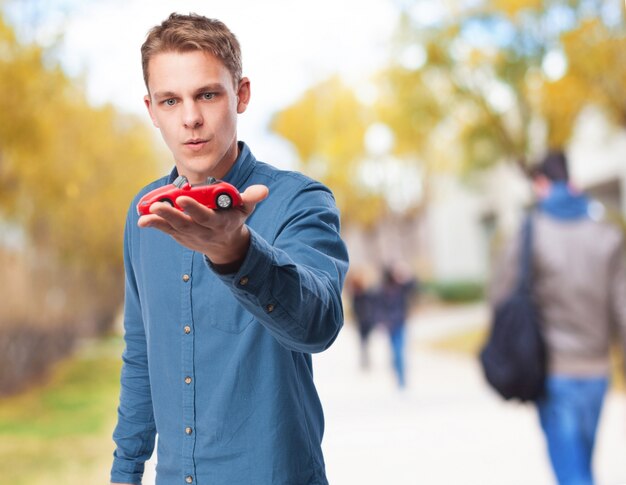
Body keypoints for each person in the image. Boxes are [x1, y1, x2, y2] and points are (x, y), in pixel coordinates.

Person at [110, 13, 349, 485]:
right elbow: (140, 353)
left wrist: (236, 253)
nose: (191, 117)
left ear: (240, 94)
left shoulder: (299, 200)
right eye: (170, 100)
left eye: (207, 94)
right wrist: (125, 473)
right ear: (151, 109)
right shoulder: (144, 216)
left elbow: (319, 324)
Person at [489, 150, 626, 485]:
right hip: (597, 372)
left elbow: (500, 296)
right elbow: (622, 308)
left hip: (554, 371)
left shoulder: (530, 233)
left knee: (572, 475)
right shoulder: (607, 234)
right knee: (582, 469)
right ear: (572, 181)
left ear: (541, 183)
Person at [377, 265, 417, 389]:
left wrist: (406, 274)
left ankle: (401, 378)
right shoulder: (382, 290)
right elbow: (378, 308)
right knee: (395, 352)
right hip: (391, 325)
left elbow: (414, 285)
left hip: (400, 323)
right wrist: (382, 322)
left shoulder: (400, 287)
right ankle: (398, 375)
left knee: (399, 351)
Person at [345, 269, 377, 370]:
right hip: (363, 320)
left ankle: (365, 359)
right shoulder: (357, 294)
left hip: (366, 320)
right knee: (364, 341)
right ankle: (365, 360)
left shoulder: (365, 293)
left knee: (364, 341)